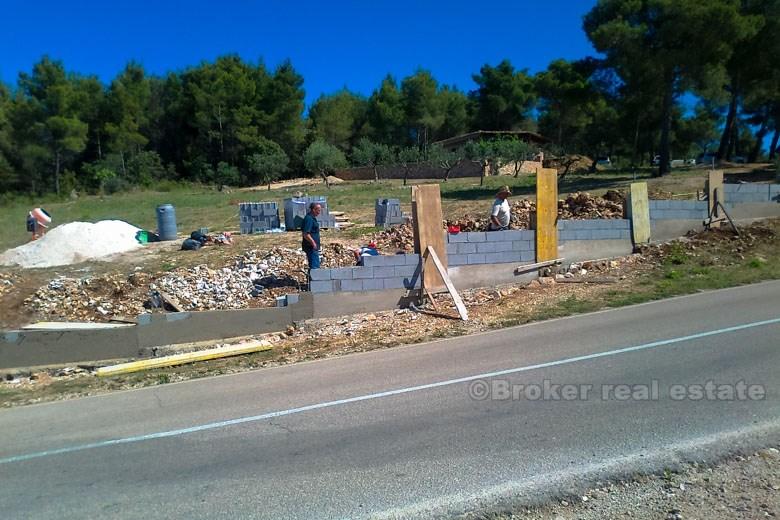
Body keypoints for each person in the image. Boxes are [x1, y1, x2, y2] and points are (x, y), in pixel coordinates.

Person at [302, 202, 322, 272]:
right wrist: (313, 243)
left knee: (315, 266)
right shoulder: (309, 219)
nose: (319, 212)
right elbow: (306, 234)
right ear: (313, 210)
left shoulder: (313, 218)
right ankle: (315, 282)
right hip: (311, 247)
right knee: (315, 267)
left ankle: (313, 281)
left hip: (313, 247)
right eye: (318, 210)